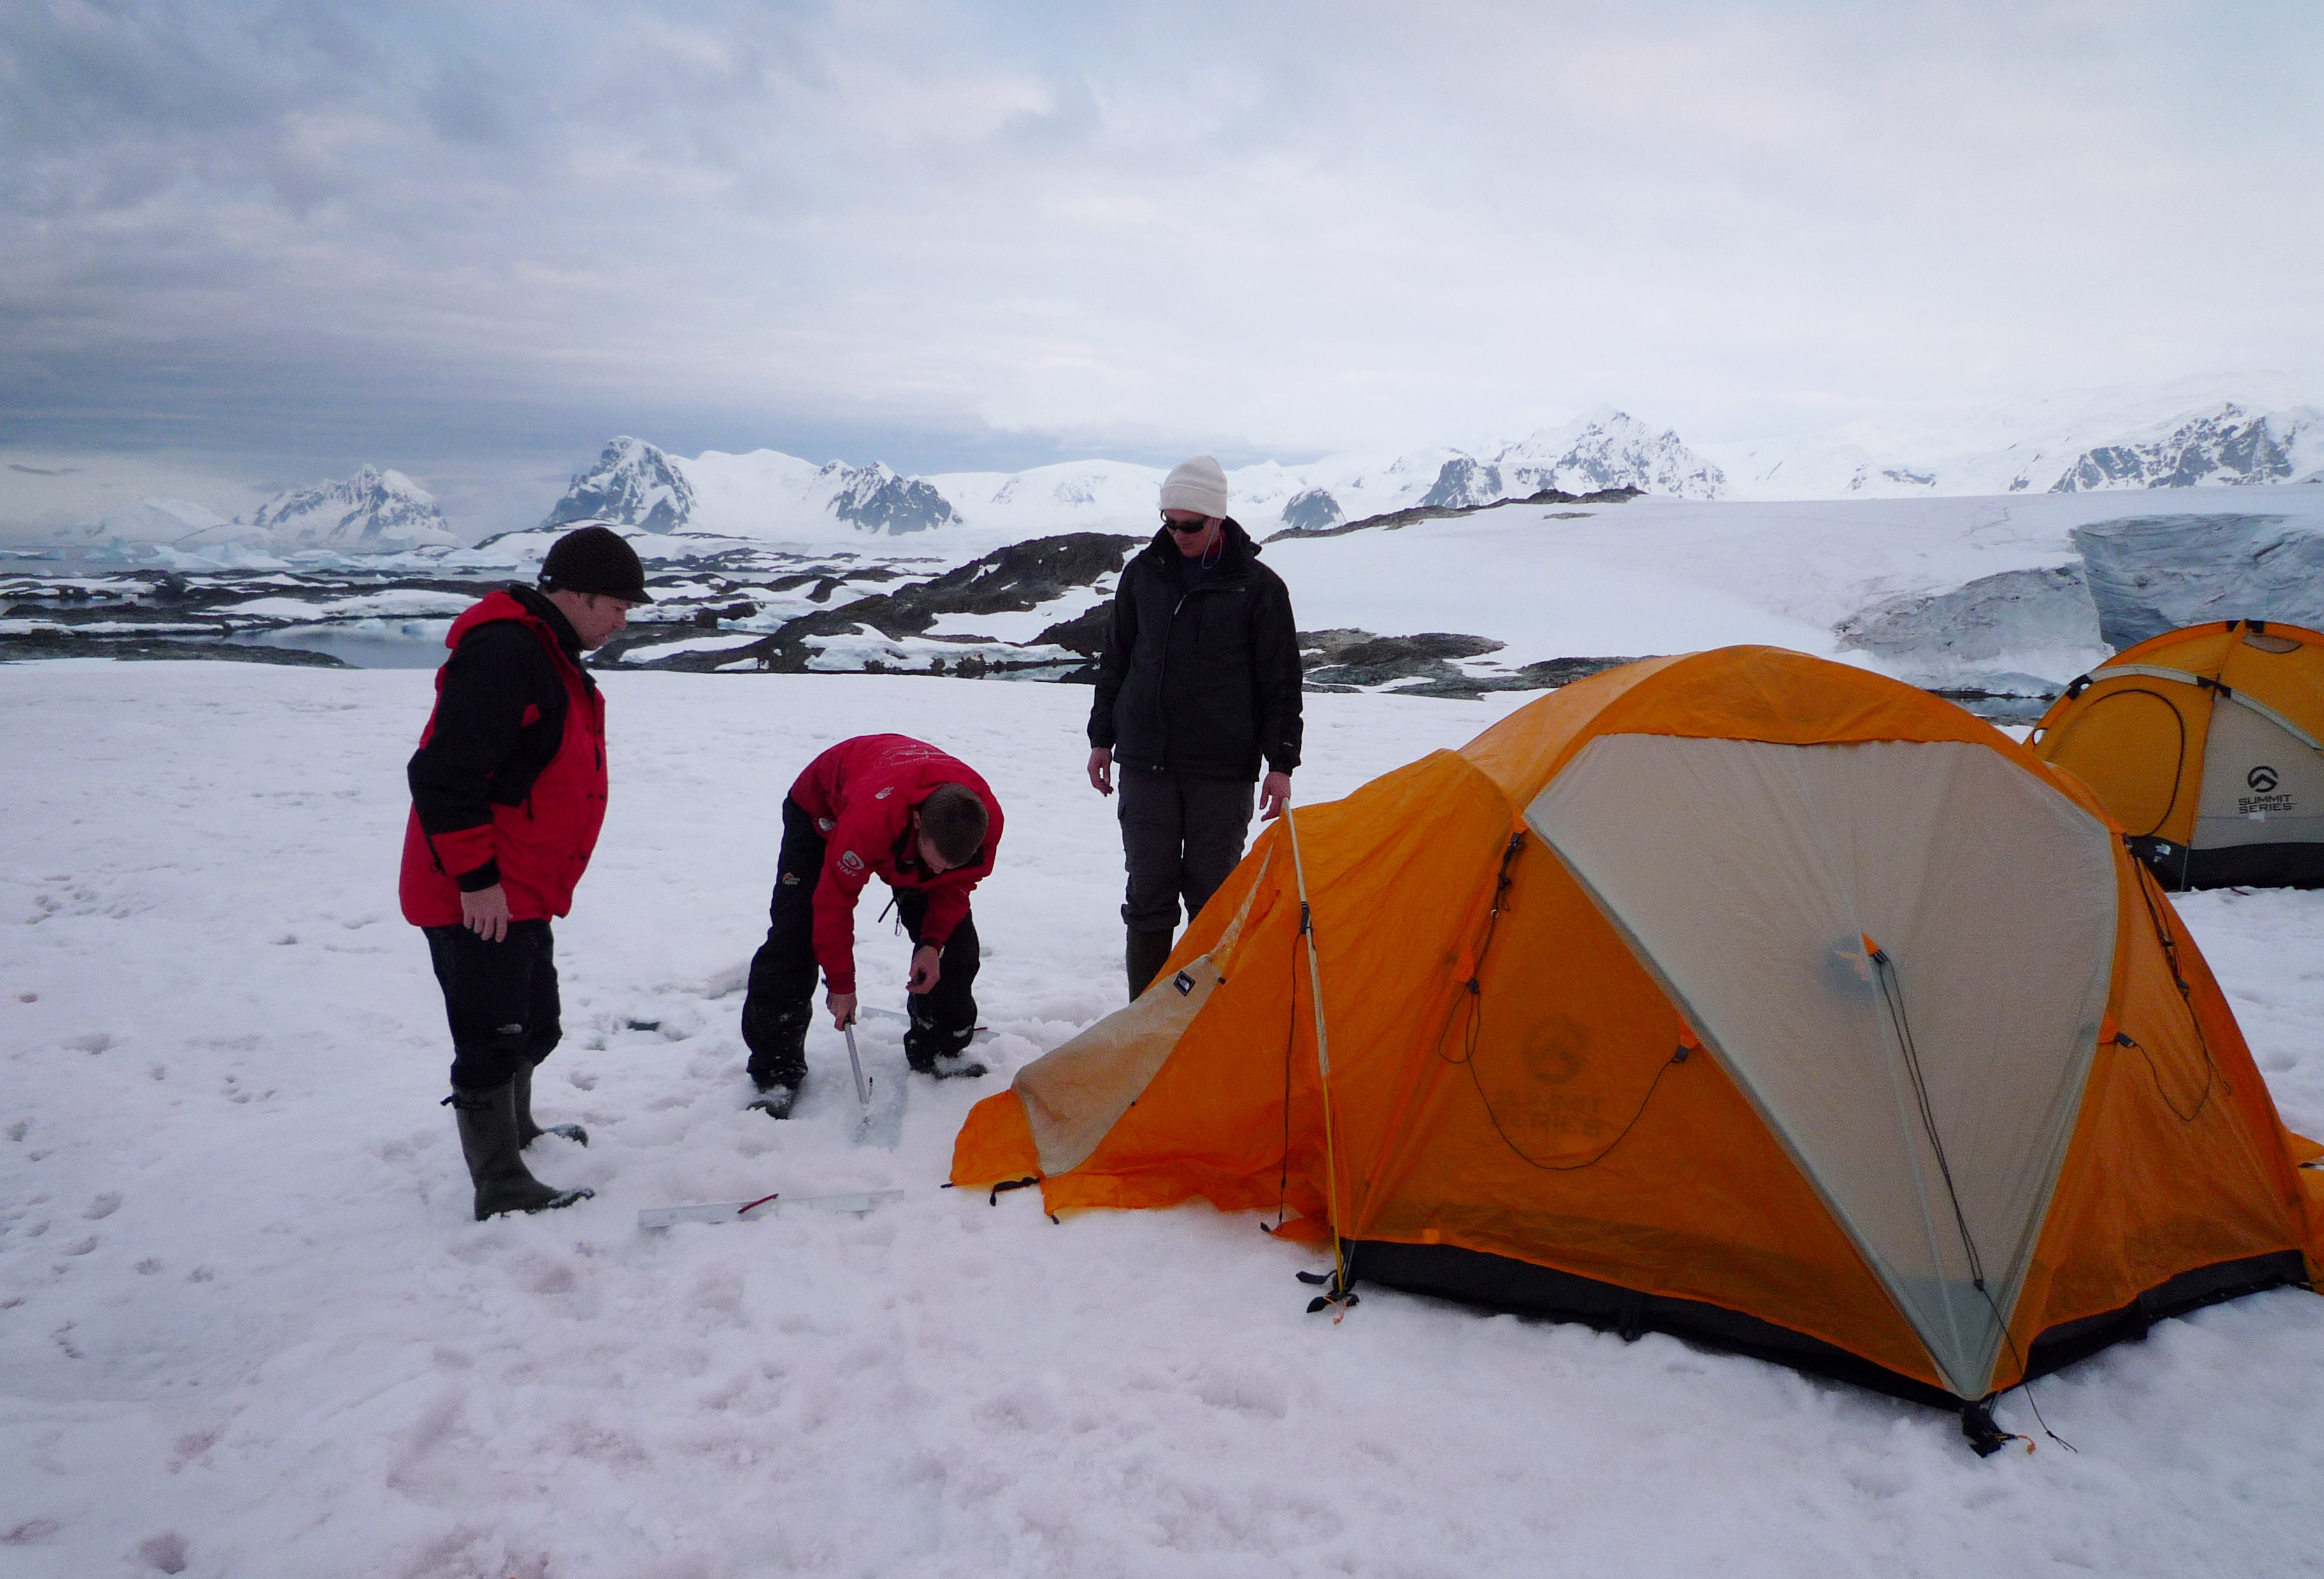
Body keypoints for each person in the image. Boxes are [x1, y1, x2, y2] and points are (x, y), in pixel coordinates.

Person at [399, 525, 649, 1220]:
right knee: (492, 1034)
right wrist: (477, 880)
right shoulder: (507, 652)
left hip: (521, 889)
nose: (623, 623)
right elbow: (443, 773)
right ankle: (500, 1183)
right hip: (476, 893)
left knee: (534, 1021)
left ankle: (519, 1131)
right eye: (617, 607)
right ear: (578, 595)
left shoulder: (547, 650)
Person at [1087, 456, 1303, 999]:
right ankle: (1145, 1019)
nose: (1178, 534)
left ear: (1218, 519)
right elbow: (1116, 661)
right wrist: (1101, 739)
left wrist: (1281, 765)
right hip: (1146, 765)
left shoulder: (1259, 588)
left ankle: (1202, 1022)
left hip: (1221, 774)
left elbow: (1281, 683)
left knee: (1213, 902)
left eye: (1191, 524)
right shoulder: (1143, 575)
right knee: (1148, 899)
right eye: (1170, 522)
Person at [740, 735, 1003, 1116]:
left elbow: (956, 885)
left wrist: (932, 943)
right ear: (918, 823)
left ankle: (939, 1048)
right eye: (937, 862)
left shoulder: (984, 825)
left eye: (951, 865)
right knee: (795, 939)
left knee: (956, 947)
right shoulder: (869, 822)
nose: (940, 872)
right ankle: (775, 1071)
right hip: (824, 810)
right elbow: (833, 903)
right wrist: (842, 985)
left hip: (900, 821)